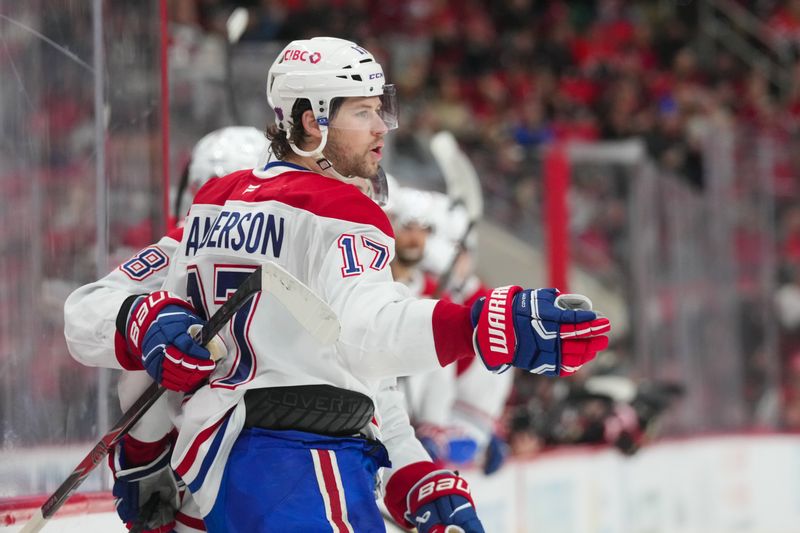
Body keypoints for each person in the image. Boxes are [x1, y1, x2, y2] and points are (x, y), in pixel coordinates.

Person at [65, 37, 610, 532]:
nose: (382, 128)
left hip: (221, 472)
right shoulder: (339, 210)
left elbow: (89, 313)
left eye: (381, 109)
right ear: (309, 122)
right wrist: (477, 322)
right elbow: (366, 338)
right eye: (364, 112)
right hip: (297, 469)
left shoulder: (215, 205)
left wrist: (412, 473)